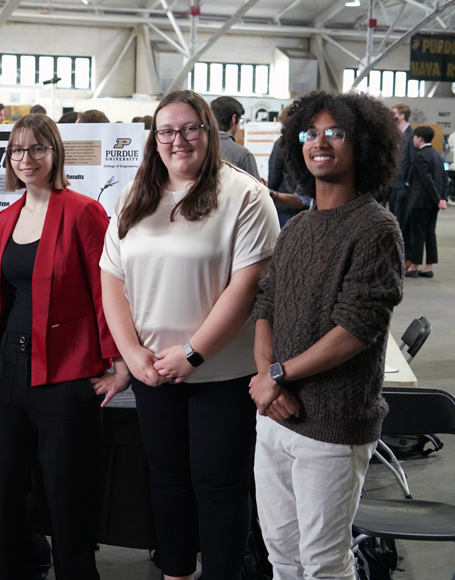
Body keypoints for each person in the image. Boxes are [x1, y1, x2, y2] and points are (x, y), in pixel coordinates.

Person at [99, 90, 279, 580]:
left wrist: (194, 353)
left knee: (220, 488)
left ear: (209, 131)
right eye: (166, 131)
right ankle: (175, 573)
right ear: (154, 139)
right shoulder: (135, 194)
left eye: (189, 129)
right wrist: (131, 353)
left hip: (222, 375)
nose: (178, 140)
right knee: (167, 481)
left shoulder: (244, 195)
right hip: (153, 373)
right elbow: (111, 277)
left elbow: (248, 285)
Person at [249, 90, 404, 580]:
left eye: (335, 132)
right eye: (310, 132)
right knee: (281, 556)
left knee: (324, 564)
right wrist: (268, 382)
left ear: (363, 145)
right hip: (276, 417)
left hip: (333, 424)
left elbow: (356, 328)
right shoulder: (296, 228)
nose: (319, 142)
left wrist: (277, 375)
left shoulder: (376, 228)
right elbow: (265, 308)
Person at [0, 113, 125, 580]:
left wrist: (118, 361)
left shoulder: (83, 212)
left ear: (55, 153)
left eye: (37, 148)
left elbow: (107, 291)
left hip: (65, 372)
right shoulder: (7, 216)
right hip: (6, 370)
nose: (27, 159)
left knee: (68, 498)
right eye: (17, 150)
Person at [406, 125, 447, 278]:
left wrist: (438, 199)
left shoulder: (420, 156)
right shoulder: (438, 155)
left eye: (414, 137)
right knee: (430, 233)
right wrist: (441, 199)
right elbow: (444, 179)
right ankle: (428, 267)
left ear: (420, 138)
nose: (413, 139)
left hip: (420, 201)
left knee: (417, 234)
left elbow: (427, 181)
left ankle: (414, 266)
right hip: (433, 203)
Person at [211, 95, 261, 180]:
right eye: (241, 120)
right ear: (233, 119)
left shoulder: (201, 149)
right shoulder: (243, 155)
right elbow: (255, 188)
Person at [390, 103, 416, 262]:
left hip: (404, 187)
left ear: (401, 116)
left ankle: (403, 258)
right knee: (393, 221)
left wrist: (407, 183)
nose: (391, 115)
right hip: (394, 185)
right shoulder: (396, 134)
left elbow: (413, 162)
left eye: (393, 113)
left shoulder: (412, 136)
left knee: (402, 223)